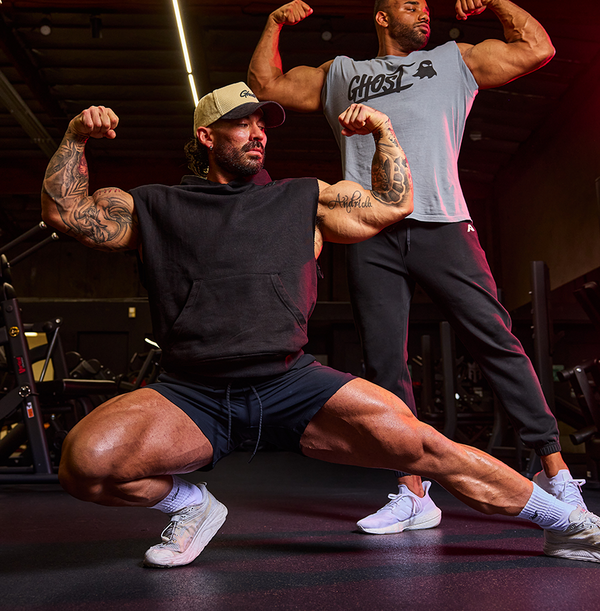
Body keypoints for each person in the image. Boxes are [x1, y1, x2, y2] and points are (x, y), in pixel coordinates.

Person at [40, 82, 600, 569]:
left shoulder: (303, 198)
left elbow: (392, 205)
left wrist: (382, 131)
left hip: (291, 382)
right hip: (193, 392)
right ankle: (191, 505)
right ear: (207, 136)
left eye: (262, 124)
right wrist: (75, 136)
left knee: (428, 447)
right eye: (242, 124)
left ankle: (569, 525)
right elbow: (66, 213)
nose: (258, 134)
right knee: (84, 465)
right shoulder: (154, 207)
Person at [247, 0, 586, 534]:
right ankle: (412, 491)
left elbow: (536, 50)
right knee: (385, 362)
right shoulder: (342, 73)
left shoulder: (453, 61)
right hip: (369, 230)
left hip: (443, 222)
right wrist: (274, 22)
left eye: (426, 9)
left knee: (495, 339)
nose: (424, 14)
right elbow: (265, 86)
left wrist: (497, 0)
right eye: (411, 7)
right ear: (381, 17)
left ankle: (557, 474)